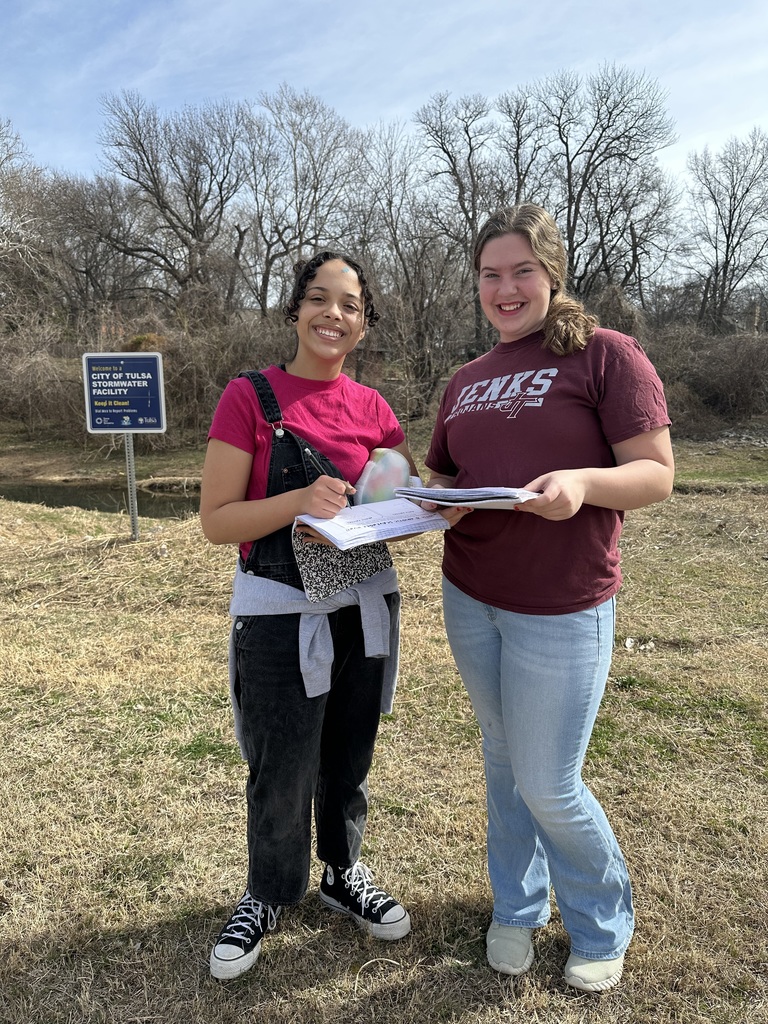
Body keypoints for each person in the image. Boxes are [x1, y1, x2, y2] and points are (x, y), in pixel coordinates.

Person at [422, 205, 674, 993]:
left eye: (521, 271)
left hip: (562, 604)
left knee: (549, 779)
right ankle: (516, 905)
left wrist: (583, 483)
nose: (506, 289)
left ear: (551, 274)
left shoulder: (605, 356)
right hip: (472, 595)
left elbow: (657, 472)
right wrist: (433, 499)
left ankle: (602, 920)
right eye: (490, 275)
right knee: (503, 761)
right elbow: (449, 478)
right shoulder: (465, 380)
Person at [200, 250, 418, 981]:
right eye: (320, 299)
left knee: (348, 758)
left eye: (350, 304)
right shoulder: (249, 397)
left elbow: (398, 500)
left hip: (364, 610)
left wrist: (417, 506)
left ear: (364, 323)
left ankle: (341, 872)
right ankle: (266, 893)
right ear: (294, 309)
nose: (334, 314)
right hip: (280, 615)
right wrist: (298, 502)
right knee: (281, 766)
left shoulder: (376, 410)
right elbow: (217, 520)